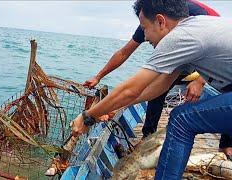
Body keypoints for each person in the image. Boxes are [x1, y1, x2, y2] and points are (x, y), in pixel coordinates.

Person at [72, 0, 232, 178]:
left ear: (161, 21)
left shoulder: (180, 37)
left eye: (144, 27)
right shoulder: (195, 26)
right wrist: (117, 106)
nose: (145, 37)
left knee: (181, 119)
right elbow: (160, 85)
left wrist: (88, 117)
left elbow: (130, 89)